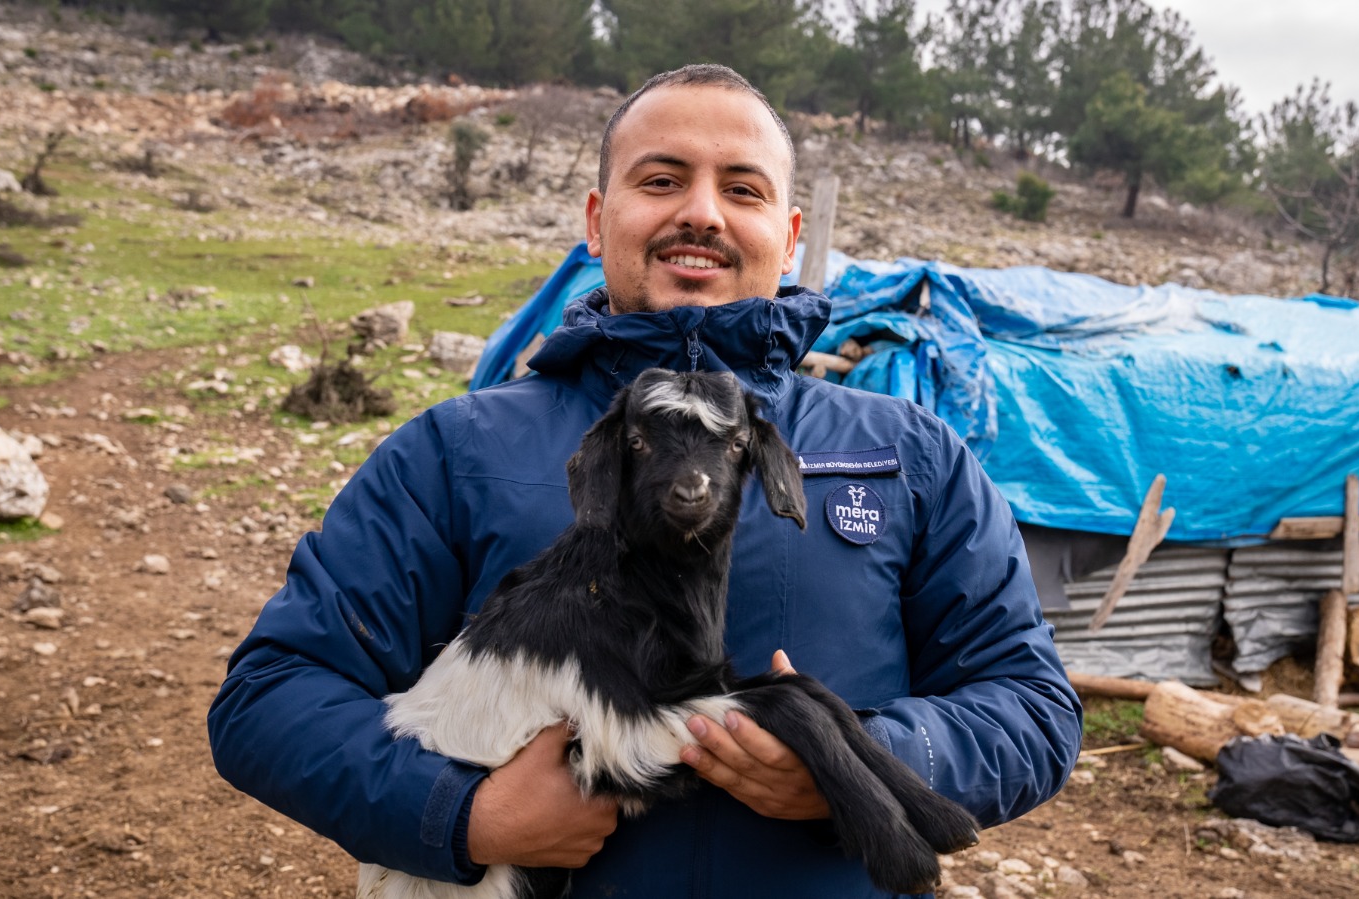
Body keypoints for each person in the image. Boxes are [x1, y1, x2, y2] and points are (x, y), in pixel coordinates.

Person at [209, 64, 1082, 898]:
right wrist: (465, 815)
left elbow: (1033, 705)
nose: (701, 212)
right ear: (597, 221)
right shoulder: (456, 451)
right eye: (661, 181)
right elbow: (270, 696)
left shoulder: (909, 455)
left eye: (742, 189)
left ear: (790, 237)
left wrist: (866, 758)